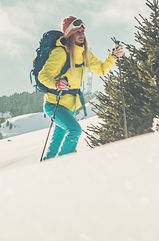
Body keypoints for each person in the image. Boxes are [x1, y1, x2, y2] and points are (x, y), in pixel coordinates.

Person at [38, 16, 124, 159]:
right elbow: (43, 76)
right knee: (74, 130)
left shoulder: (84, 53)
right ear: (70, 34)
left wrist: (113, 56)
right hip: (54, 104)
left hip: (69, 107)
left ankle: (48, 166)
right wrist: (56, 84)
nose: (81, 35)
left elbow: (101, 69)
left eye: (83, 31)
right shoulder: (60, 53)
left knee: (56, 143)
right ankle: (65, 163)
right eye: (77, 32)